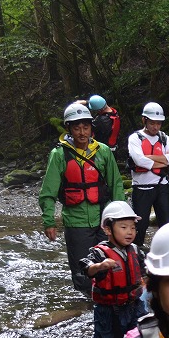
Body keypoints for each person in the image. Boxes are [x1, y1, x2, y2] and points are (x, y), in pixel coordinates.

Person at [39, 102, 125, 294]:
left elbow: (116, 184)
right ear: (68, 128)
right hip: (76, 221)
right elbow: (48, 192)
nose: (81, 132)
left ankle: (108, 303)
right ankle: (85, 307)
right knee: (82, 272)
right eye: (76, 128)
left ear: (91, 128)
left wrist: (122, 217)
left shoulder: (103, 151)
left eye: (85, 127)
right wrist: (49, 222)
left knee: (110, 266)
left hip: (104, 219)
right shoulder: (59, 154)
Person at [78, 201, 146, 338]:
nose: (130, 232)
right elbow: (85, 267)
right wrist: (100, 266)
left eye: (133, 227)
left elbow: (145, 270)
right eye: (123, 227)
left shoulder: (135, 250)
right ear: (108, 229)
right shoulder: (99, 253)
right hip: (108, 310)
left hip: (134, 305)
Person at [128, 102, 169, 247]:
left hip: (162, 186)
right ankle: (136, 255)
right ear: (144, 120)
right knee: (140, 226)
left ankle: (168, 253)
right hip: (142, 188)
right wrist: (163, 161)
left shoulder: (164, 138)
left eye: (158, 124)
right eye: (152, 123)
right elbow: (139, 160)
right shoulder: (135, 138)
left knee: (167, 224)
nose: (156, 127)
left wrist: (149, 159)